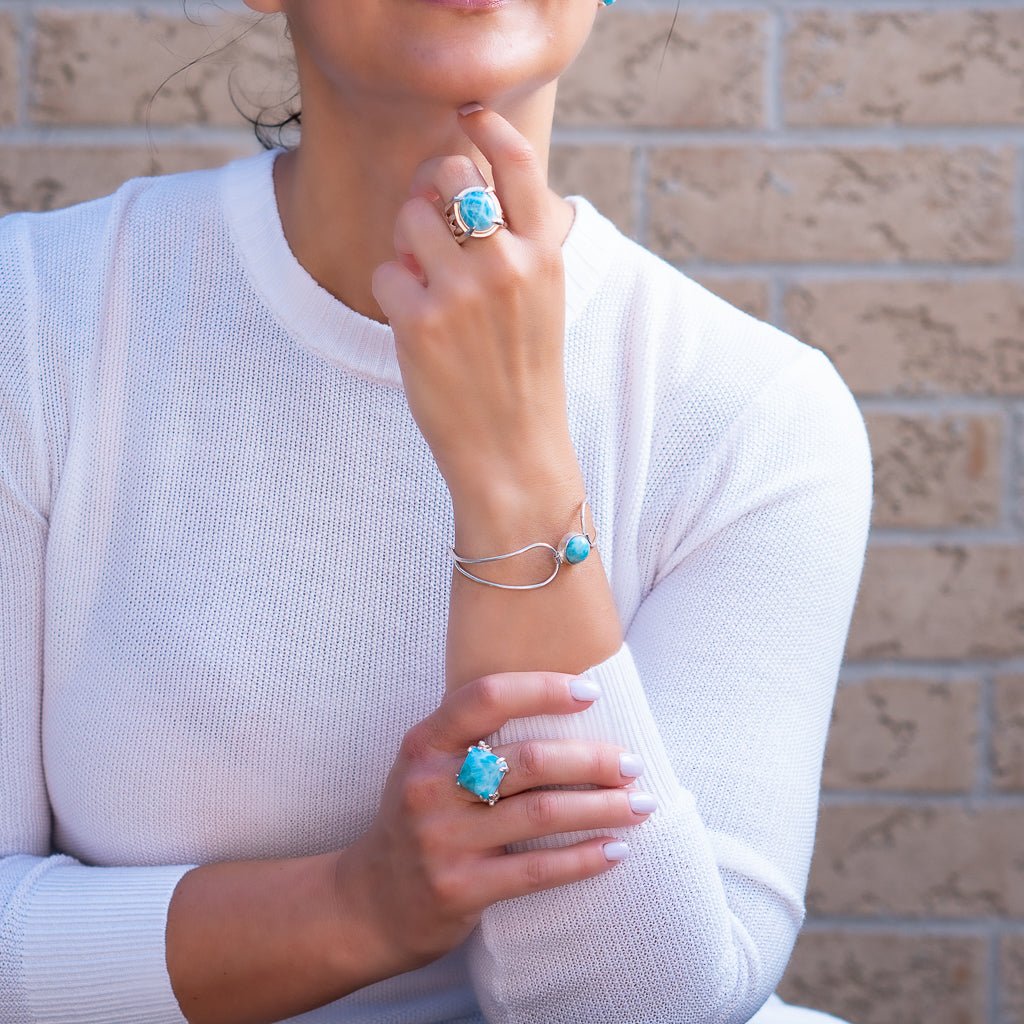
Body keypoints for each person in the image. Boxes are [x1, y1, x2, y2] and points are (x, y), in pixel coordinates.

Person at [0, 0, 872, 1021]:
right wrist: (360, 906)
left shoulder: (754, 412)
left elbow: (656, 1007)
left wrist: (515, 464)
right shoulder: (36, 320)